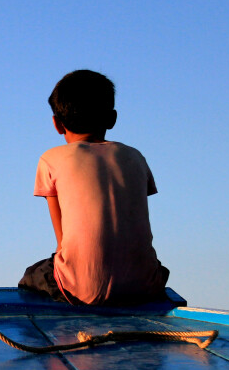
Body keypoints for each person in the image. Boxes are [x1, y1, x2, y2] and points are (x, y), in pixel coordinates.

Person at [18, 69, 169, 306]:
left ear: (57, 123)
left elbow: (62, 242)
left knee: (32, 275)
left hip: (81, 290)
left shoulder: (51, 159)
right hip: (144, 285)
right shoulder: (135, 157)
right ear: (112, 118)